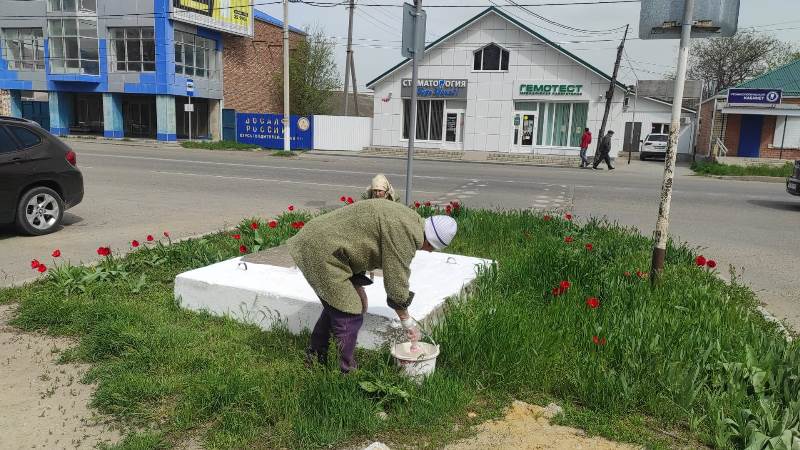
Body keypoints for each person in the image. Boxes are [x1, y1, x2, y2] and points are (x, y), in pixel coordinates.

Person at [288, 199, 458, 373]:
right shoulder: (405, 235)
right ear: (431, 243)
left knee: (338, 304)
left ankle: (315, 357)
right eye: (432, 249)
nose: (429, 252)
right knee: (349, 313)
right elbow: (396, 282)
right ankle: (346, 372)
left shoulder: (409, 219)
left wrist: (357, 282)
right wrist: (407, 322)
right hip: (322, 251)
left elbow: (362, 237)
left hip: (323, 241)